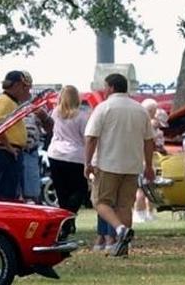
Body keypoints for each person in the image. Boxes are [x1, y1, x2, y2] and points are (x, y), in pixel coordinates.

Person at [84, 73, 156, 257]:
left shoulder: (104, 107)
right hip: (132, 165)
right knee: (124, 206)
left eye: (106, 86)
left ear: (111, 87)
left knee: (100, 201)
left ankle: (120, 229)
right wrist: (148, 165)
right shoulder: (140, 110)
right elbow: (149, 141)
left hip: (108, 163)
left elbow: (91, 137)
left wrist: (87, 162)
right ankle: (122, 247)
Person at [0, 70, 32, 200]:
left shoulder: (8, 100)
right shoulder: (6, 101)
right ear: (16, 85)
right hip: (7, 153)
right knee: (6, 194)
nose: (25, 90)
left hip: (7, 151)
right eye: (23, 86)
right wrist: (8, 147)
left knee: (9, 191)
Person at [47, 85, 89, 226]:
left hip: (56, 154)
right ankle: (69, 216)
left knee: (62, 191)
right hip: (75, 155)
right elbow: (86, 137)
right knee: (80, 189)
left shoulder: (55, 113)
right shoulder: (82, 116)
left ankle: (65, 221)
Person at [19, 71, 53, 204]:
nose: (25, 89)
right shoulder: (9, 104)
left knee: (32, 193)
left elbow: (50, 128)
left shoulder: (36, 105)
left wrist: (44, 117)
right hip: (12, 153)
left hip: (30, 152)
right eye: (22, 86)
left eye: (27, 86)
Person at [134, 98, 166, 223]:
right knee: (142, 189)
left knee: (149, 188)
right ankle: (138, 213)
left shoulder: (144, 122)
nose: (155, 112)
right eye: (154, 110)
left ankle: (148, 213)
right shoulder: (145, 124)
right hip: (143, 160)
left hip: (149, 160)